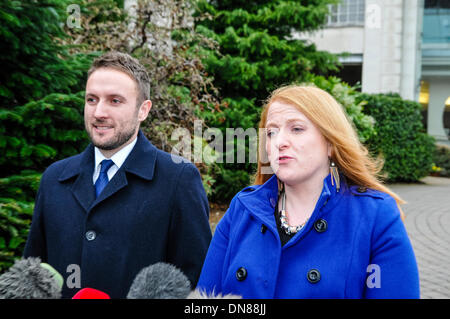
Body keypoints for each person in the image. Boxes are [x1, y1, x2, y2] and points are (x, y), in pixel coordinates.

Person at [196, 85, 420, 299]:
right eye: (272, 132)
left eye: (296, 129)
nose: (280, 142)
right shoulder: (243, 209)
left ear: (331, 143)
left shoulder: (375, 215)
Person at [23, 52, 212, 298]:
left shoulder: (177, 179)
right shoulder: (54, 178)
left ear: (143, 110)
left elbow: (198, 282)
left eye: (114, 101)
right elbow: (32, 275)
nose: (99, 112)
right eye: (92, 99)